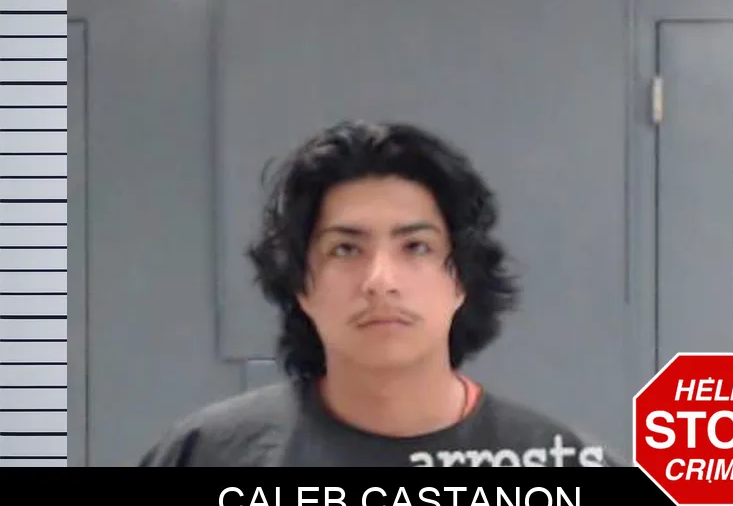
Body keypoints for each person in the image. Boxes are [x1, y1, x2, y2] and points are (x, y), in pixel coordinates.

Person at [139, 120, 621, 467]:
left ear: (461, 279)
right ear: (301, 284)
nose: (380, 279)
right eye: (345, 249)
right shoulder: (206, 454)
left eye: (416, 247)